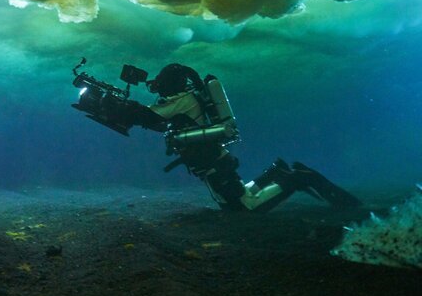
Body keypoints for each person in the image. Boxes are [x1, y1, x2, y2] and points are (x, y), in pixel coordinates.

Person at [128, 63, 361, 212]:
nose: (158, 86)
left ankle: (297, 179)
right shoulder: (187, 97)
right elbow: (159, 121)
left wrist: (119, 107)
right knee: (234, 199)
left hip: (214, 164)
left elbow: (149, 116)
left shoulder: (181, 100)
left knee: (244, 208)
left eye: (162, 81)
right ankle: (275, 173)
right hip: (213, 161)